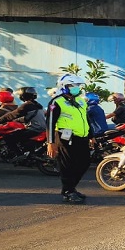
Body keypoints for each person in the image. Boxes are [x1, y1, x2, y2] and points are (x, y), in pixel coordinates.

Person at [46, 73, 92, 203]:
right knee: (67, 165)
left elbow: (86, 119)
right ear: (64, 87)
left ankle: (70, 188)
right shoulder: (56, 102)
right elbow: (50, 122)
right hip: (66, 138)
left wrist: (91, 136)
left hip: (82, 137)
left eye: (78, 85)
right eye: (72, 85)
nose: (76, 88)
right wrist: (50, 142)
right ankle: (68, 191)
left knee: (85, 163)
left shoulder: (81, 101)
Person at [0, 87, 46, 156]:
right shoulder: (38, 105)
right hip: (42, 129)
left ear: (23, 96)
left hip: (34, 129)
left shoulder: (27, 105)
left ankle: (19, 156)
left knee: (8, 137)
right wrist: (16, 120)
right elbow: (27, 117)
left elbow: (12, 115)